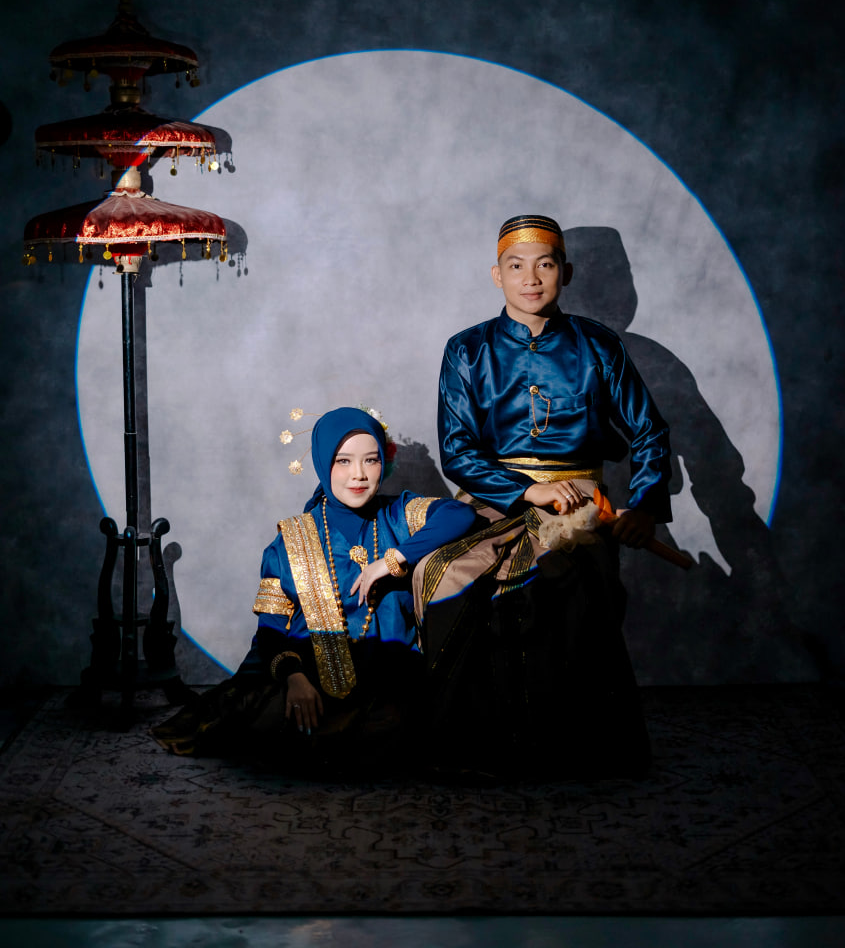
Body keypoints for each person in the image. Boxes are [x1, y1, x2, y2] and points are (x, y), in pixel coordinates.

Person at [415, 214, 672, 778]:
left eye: (545, 265)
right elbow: (457, 451)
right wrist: (528, 489)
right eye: (516, 266)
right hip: (493, 499)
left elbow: (649, 431)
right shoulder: (467, 350)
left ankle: (564, 746)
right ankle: (470, 742)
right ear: (496, 275)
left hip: (579, 500)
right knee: (441, 574)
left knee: (553, 576)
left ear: (566, 273)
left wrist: (646, 505)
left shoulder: (599, 345)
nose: (530, 279)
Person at [151, 407, 474, 772]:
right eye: (343, 461)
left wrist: (394, 558)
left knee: (412, 720)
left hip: (387, 679)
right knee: (270, 719)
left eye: (371, 460)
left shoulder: (399, 515)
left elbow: (461, 514)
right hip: (313, 679)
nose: (359, 474)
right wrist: (294, 678)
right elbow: (270, 631)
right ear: (322, 463)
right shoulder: (291, 541)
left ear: (384, 461)